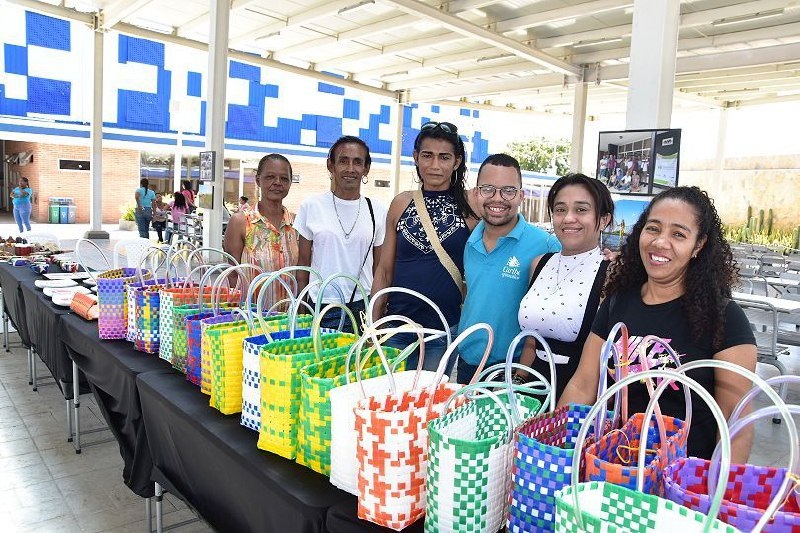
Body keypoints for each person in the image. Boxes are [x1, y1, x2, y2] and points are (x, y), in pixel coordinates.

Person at [559, 186, 756, 462]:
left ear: (698, 245)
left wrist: (714, 494)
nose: (660, 242)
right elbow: (582, 384)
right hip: (614, 470)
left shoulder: (726, 319)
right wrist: (559, 451)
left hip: (681, 481)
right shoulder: (616, 303)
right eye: (653, 228)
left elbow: (735, 422)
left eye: (678, 234)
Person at [371, 121, 479, 372]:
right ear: (416, 157)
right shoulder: (400, 204)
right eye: (428, 156)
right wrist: (374, 324)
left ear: (457, 161)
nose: (435, 165)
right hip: (396, 327)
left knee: (429, 404)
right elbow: (384, 270)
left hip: (442, 329)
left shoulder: (470, 209)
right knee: (389, 400)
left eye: (444, 157)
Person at [455, 154, 561, 384]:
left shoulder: (546, 245)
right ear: (476, 193)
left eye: (508, 191)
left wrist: (521, 374)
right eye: (488, 189)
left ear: (521, 196)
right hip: (467, 362)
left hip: (514, 370)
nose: (497, 198)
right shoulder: (469, 241)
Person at [514, 174, 614, 400]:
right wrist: (517, 383)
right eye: (560, 210)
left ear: (604, 219)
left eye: (581, 210)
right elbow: (532, 341)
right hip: (532, 387)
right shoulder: (540, 264)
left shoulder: (611, 272)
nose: (568, 218)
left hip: (578, 394)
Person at [295, 136, 387, 334]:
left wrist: (377, 309)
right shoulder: (311, 206)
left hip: (362, 305)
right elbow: (303, 263)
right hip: (321, 304)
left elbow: (380, 268)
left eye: (357, 162)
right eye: (343, 161)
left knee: (359, 364)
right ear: (331, 165)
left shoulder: (377, 210)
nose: (350, 169)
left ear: (366, 168)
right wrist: (301, 305)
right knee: (322, 363)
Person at [224, 154, 299, 306]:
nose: (277, 183)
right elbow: (232, 274)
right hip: (252, 319)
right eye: (270, 177)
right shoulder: (240, 222)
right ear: (258, 180)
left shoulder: (296, 224)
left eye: (284, 178)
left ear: (290, 183)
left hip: (290, 322)